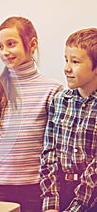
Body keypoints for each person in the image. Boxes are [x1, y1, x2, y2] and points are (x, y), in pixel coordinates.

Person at [0, 16, 63, 212]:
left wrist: (52, 189)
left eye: (11, 44)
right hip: (0, 187)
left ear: (32, 44)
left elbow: (54, 145)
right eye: (0, 46)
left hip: (37, 187)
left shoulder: (53, 88)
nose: (5, 52)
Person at [40, 28, 97, 212]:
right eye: (66, 60)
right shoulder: (59, 100)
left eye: (75, 62)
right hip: (61, 192)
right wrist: (51, 204)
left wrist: (76, 207)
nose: (67, 68)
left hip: (90, 196)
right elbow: (49, 153)